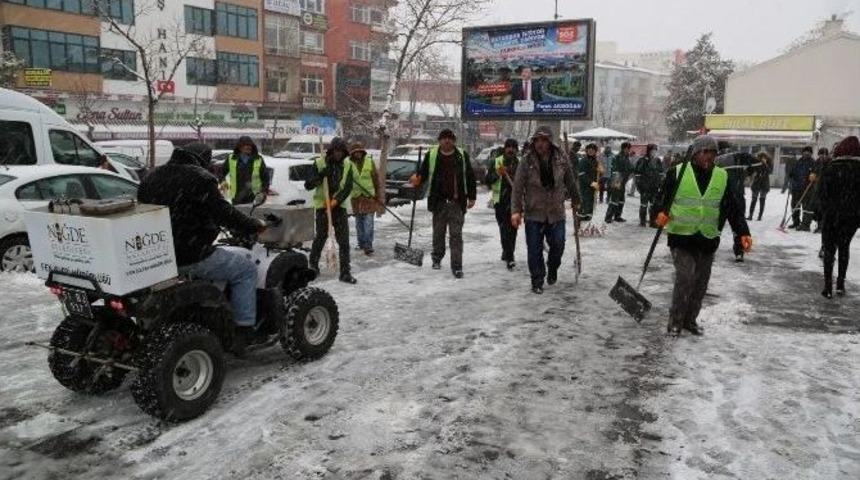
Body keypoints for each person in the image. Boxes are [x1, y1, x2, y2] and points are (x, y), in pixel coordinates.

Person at [137, 144, 264, 342]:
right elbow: (224, 212)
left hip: (159, 256)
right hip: (191, 254)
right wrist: (252, 225)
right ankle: (244, 329)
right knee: (246, 270)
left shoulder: (151, 177)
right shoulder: (200, 178)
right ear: (203, 159)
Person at [654, 135, 751, 337]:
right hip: (681, 236)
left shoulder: (722, 176)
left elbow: (733, 208)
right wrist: (659, 213)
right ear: (695, 153)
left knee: (700, 284)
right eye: (705, 152)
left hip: (707, 238)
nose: (709, 156)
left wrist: (742, 232)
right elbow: (661, 198)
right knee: (685, 278)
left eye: (713, 153)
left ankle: (690, 320)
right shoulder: (677, 172)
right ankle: (675, 322)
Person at [511, 126, 581, 294]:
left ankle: (553, 267)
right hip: (534, 212)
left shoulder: (561, 158)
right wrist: (515, 211)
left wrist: (577, 199)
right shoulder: (527, 161)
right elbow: (518, 187)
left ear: (550, 142)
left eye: (544, 140)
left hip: (556, 212)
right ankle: (537, 280)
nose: (540, 144)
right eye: (537, 140)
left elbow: (570, 181)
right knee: (534, 250)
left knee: (558, 245)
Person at [410, 129, 477, 278]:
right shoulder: (432, 155)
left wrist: (472, 196)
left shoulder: (461, 155)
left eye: (450, 138)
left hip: (456, 202)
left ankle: (457, 266)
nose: (447, 141)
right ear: (439, 141)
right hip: (438, 202)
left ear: (454, 141)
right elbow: (423, 173)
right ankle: (437, 258)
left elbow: (470, 176)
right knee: (438, 233)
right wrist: (417, 178)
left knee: (456, 235)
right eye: (444, 138)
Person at [305, 137, 357, 284]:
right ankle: (313, 266)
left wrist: (335, 201)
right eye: (336, 151)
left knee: (344, 241)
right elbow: (308, 185)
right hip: (322, 207)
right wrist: (321, 174)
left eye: (341, 151)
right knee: (320, 237)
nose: (338, 154)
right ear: (331, 151)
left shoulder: (348, 165)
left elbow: (348, 187)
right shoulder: (319, 163)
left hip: (339, 207)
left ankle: (345, 272)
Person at [818, 136, 860, 298]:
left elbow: (822, 193)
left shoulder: (831, 167)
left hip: (832, 215)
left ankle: (828, 286)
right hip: (852, 217)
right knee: (844, 247)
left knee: (829, 249)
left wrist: (824, 211)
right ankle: (840, 283)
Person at [716, 146, 757, 262]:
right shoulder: (739, 158)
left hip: (722, 198)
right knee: (738, 226)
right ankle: (739, 251)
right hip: (736, 197)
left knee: (716, 227)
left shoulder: (717, 160)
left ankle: (709, 250)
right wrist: (748, 173)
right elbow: (757, 165)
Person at [485, 138, 520, 270]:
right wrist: (497, 174)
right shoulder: (497, 161)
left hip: (515, 201)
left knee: (513, 229)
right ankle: (510, 256)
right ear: (505, 149)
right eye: (508, 147)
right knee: (504, 228)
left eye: (513, 147)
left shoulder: (520, 163)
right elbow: (487, 180)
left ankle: (508, 252)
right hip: (500, 201)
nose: (511, 150)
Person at [348, 141, 384, 256]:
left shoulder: (369, 162)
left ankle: (368, 245)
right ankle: (361, 243)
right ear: (352, 153)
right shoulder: (348, 164)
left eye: (359, 152)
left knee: (368, 223)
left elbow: (376, 179)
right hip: (356, 198)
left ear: (362, 152)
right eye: (355, 152)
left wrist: (378, 195)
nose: (358, 154)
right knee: (359, 223)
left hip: (369, 198)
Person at [219, 136, 271, 205]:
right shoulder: (231, 158)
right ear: (239, 147)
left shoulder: (258, 159)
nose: (248, 147)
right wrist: (223, 183)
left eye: (250, 145)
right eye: (245, 145)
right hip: (237, 197)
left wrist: (263, 191)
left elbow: (266, 178)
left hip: (254, 197)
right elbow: (221, 172)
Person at [634, 144, 664, 227]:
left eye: (655, 151)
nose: (654, 152)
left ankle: (653, 222)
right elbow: (637, 174)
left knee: (653, 205)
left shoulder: (658, 160)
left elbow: (661, 173)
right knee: (644, 205)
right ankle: (642, 221)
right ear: (648, 151)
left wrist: (660, 184)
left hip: (654, 187)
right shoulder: (642, 160)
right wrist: (639, 186)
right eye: (652, 151)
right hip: (645, 187)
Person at [787, 146, 816, 230]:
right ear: (802, 153)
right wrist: (791, 174)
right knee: (795, 206)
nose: (806, 153)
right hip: (796, 187)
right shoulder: (799, 161)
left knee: (806, 207)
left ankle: (805, 224)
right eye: (805, 151)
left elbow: (815, 173)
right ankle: (796, 222)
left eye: (808, 152)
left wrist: (813, 176)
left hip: (807, 188)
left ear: (811, 153)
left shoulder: (813, 163)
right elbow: (794, 171)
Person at [605, 142, 633, 223]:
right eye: (626, 148)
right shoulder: (618, 157)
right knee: (614, 199)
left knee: (621, 200)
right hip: (617, 180)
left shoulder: (627, 157)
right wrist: (617, 181)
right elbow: (615, 170)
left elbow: (629, 167)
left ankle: (618, 216)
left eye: (629, 149)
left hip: (623, 181)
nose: (628, 150)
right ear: (623, 148)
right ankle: (608, 217)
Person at [808, 147, 831, 234]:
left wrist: (822, 178)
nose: (822, 157)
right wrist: (812, 175)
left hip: (826, 189)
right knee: (817, 208)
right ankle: (819, 225)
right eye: (820, 155)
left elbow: (830, 175)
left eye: (824, 155)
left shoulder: (830, 163)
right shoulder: (817, 162)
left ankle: (823, 227)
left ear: (827, 155)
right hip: (817, 188)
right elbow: (814, 171)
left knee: (824, 209)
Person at [577, 143, 601, 222]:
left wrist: (600, 172)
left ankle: (588, 216)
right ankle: (581, 217)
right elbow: (582, 174)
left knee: (590, 200)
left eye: (593, 150)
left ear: (595, 151)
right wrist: (591, 182)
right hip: (584, 185)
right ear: (586, 151)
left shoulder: (595, 161)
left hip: (593, 185)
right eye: (589, 150)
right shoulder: (583, 161)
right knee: (584, 201)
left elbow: (597, 173)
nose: (591, 151)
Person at [748, 151, 772, 221]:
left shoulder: (768, 163)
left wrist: (765, 164)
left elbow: (769, 171)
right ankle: (750, 215)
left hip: (764, 183)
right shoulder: (756, 163)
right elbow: (752, 170)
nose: (762, 159)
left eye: (764, 157)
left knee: (762, 200)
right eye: (761, 157)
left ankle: (760, 216)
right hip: (757, 183)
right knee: (754, 199)